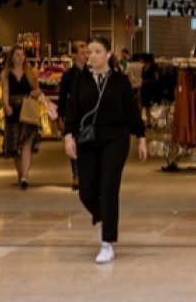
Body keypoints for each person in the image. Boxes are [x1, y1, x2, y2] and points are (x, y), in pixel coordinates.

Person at [62, 36, 148, 264]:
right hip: (88, 140)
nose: (92, 56)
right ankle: (103, 216)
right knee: (86, 192)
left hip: (115, 138)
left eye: (97, 51)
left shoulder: (120, 80)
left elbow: (132, 110)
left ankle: (107, 242)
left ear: (108, 54)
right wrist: (68, 135)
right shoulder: (80, 80)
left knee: (108, 187)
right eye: (89, 52)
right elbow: (72, 110)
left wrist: (141, 137)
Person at [0, 46, 44, 190]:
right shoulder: (6, 74)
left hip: (27, 110)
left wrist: (34, 93)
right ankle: (20, 174)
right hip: (13, 111)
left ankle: (25, 176)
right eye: (17, 54)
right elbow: (5, 91)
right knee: (15, 146)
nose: (20, 57)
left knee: (27, 144)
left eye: (22, 55)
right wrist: (6, 105)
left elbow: (37, 89)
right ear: (11, 57)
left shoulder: (31, 73)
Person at [55, 41, 88, 190]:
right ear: (74, 55)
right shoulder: (68, 75)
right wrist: (60, 117)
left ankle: (86, 174)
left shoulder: (91, 73)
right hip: (73, 114)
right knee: (73, 144)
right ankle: (76, 175)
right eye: (82, 53)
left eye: (86, 53)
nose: (85, 56)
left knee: (86, 145)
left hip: (88, 114)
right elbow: (62, 97)